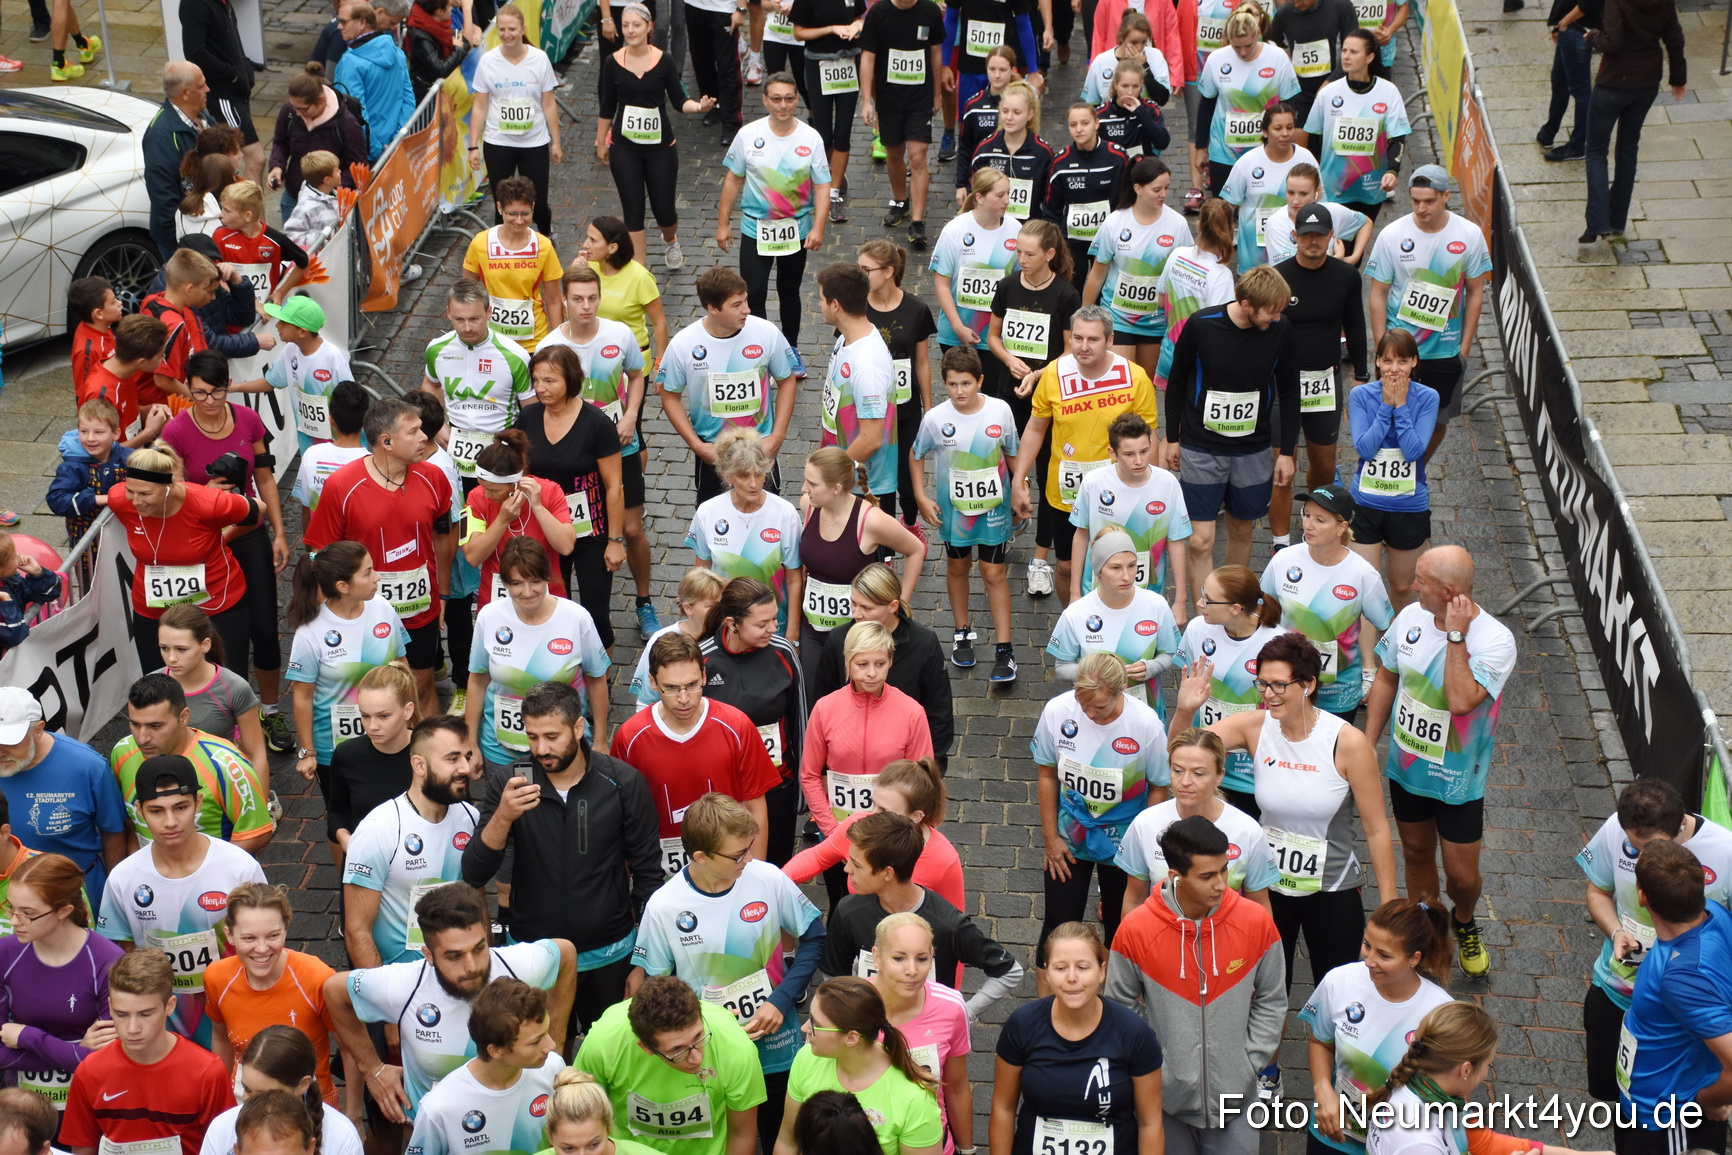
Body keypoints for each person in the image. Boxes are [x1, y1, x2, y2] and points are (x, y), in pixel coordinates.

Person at [1173, 632, 1397, 991]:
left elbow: (1376, 828)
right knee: (1267, 992)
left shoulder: (1346, 742)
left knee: (1335, 992)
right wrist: (1185, 710)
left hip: (1332, 889)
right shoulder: (1255, 726)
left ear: (1308, 684)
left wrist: (1389, 904)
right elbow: (1182, 753)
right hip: (1269, 885)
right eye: (1262, 684)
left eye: (1279, 685)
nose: (1268, 694)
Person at [632, 793, 826, 1152]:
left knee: (783, 1137)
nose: (748, 859)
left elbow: (814, 936)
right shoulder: (663, 906)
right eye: (738, 855)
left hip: (773, 1040)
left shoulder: (766, 878)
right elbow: (655, 985)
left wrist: (781, 1002)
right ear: (701, 857)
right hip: (706, 1051)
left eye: (748, 848)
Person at [461, 682, 661, 1027]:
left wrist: (643, 961)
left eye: (552, 736)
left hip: (610, 954)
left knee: (611, 1056)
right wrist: (503, 817)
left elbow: (648, 877)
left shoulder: (622, 782)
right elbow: (475, 872)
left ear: (579, 727)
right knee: (543, 1058)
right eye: (533, 737)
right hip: (535, 956)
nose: (541, 748)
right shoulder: (511, 783)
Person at [1364, 545, 1517, 980]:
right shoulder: (1410, 617)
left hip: (1457, 778)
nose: (1412, 586)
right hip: (1408, 766)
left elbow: (1462, 701)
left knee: (1461, 876)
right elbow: (1388, 674)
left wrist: (1455, 636)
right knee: (1414, 851)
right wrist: (1369, 742)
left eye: (1422, 582)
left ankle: (1464, 921)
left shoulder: (1494, 639)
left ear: (1449, 592)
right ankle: (1430, 936)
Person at [1107, 815, 1285, 1155]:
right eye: (1207, 876)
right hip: (1163, 1101)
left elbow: (1273, 997)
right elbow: (1120, 1008)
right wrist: (1153, 1065)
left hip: (1238, 1100)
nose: (1221, 884)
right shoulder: (1136, 930)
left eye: (1224, 870)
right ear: (1176, 876)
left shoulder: (1256, 922)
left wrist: (1251, 1061)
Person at [323, 884, 576, 1121]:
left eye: (479, 948)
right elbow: (334, 991)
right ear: (429, 955)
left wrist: (554, 1047)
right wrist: (372, 1070)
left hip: (515, 1125)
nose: (472, 967)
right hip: (435, 1133)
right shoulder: (404, 984)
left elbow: (565, 952)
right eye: (454, 956)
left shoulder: (519, 965)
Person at [1576, 779, 1732, 1107]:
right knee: (1615, 1099)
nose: (1643, 862)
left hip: (1684, 1017)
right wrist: (1616, 931)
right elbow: (1598, 891)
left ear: (1680, 827)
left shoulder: (1725, 851)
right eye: (1635, 849)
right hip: (1616, 993)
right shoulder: (1616, 828)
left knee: (1667, 1113)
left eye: (1651, 848)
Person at [96, 756, 269, 1046]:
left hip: (235, 1012)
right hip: (163, 1027)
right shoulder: (123, 878)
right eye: (156, 811)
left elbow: (267, 944)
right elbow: (118, 954)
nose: (170, 822)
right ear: (139, 811)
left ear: (198, 803)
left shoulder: (240, 868)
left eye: (181, 807)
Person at [305, 398, 455, 720]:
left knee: (421, 686)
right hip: (362, 613)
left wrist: (442, 591)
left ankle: (429, 761)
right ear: (386, 441)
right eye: (413, 432)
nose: (424, 438)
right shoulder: (341, 486)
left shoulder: (434, 478)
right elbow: (318, 553)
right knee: (371, 693)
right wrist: (326, 613)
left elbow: (444, 533)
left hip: (419, 608)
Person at [160, 352, 289, 728]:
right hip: (205, 540)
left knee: (265, 627)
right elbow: (176, 491)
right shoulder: (177, 432)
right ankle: (228, 714)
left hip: (248, 531)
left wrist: (279, 532)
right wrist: (206, 489)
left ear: (229, 385)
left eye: (218, 392)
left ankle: (270, 711)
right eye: (200, 394)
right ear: (189, 390)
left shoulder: (248, 420)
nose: (211, 402)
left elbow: (264, 480)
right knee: (221, 633)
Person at [1010, 306, 1160, 605]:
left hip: (1119, 491)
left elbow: (1149, 435)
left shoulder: (1135, 377)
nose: (1083, 347)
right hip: (1066, 492)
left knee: (1119, 565)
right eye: (1077, 338)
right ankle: (1076, 626)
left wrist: (1148, 486)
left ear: (1110, 340)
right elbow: (1036, 428)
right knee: (1066, 567)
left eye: (1093, 339)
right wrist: (1019, 479)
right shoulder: (1053, 374)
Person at [1032, 651, 1169, 966]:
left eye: (1101, 706)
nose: (1091, 713)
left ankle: (1112, 1008)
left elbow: (1160, 786)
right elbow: (1047, 774)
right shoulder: (1057, 710)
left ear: (1121, 692)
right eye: (1084, 705)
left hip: (1123, 844)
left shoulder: (1145, 723)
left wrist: (1141, 846)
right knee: (1057, 928)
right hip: (1070, 839)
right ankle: (1046, 1011)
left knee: (1121, 930)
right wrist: (1051, 839)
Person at [1161, 265, 1300, 573]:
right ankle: (1205, 615)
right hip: (1201, 446)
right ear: (1247, 304)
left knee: (1241, 529)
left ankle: (1231, 603)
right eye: (1271, 312)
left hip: (1252, 450)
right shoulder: (1201, 324)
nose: (1276, 318)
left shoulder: (1282, 329)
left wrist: (1287, 452)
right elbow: (1178, 382)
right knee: (1200, 540)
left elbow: (1290, 392)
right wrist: (1172, 437)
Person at [819, 812, 1023, 1016]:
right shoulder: (848, 911)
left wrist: (962, 1014)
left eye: (856, 864)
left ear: (887, 873)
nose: (846, 869)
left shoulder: (947, 923)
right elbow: (833, 977)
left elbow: (1010, 971)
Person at [538, 268, 654, 619]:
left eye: (592, 298)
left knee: (632, 528)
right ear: (564, 301)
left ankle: (644, 600)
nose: (586, 306)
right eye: (577, 299)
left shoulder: (620, 334)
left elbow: (636, 376)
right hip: (575, 455)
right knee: (573, 527)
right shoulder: (550, 346)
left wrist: (632, 414)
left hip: (621, 442)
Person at [611, 632, 783, 868]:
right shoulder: (630, 738)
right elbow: (623, 820)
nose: (684, 699)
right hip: (660, 874)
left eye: (691, 685)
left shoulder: (737, 726)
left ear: (704, 675)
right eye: (671, 688)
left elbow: (755, 808)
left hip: (728, 867)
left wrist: (755, 872)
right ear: (652, 682)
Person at [992, 923, 1164, 1155]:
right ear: (1047, 973)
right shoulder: (1022, 1025)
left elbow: (1150, 1123)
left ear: (1102, 971)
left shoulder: (1134, 1033)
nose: (1072, 978)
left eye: (1083, 967)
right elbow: (1003, 1108)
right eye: (1061, 968)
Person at [286, 543, 411, 862]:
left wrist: (413, 723)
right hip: (336, 749)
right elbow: (302, 696)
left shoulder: (382, 607)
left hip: (394, 739)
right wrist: (308, 751)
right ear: (343, 586)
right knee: (344, 817)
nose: (378, 577)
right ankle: (350, 879)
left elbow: (402, 665)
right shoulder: (310, 632)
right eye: (368, 573)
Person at [1300, 900, 1456, 1154]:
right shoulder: (1339, 981)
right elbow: (1320, 1042)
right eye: (1367, 945)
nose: (1369, 960)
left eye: (1384, 955)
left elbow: (1452, 1092)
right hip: (1333, 1133)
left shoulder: (1441, 1013)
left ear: (1414, 958)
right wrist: (1323, 1090)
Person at [1365, 166, 1492, 462]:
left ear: (1446, 197)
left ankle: (1417, 466)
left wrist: (1464, 347)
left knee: (1437, 421)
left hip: (1445, 352)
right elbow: (1378, 293)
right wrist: (1382, 345)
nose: (1421, 208)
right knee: (1390, 414)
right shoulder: (1392, 235)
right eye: (1415, 201)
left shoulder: (1469, 235)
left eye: (1429, 201)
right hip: (1401, 353)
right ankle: (1387, 469)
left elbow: (1475, 291)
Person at [1614, 838, 1732, 1155]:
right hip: (1640, 1104)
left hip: (1666, 1121)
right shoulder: (1715, 914)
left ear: (1642, 896)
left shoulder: (1683, 979)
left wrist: (1711, 1100)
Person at [911, 347, 1020, 680]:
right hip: (954, 512)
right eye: (953, 384)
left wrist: (1021, 487)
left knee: (993, 573)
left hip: (994, 511)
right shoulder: (935, 418)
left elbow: (1013, 453)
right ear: (944, 382)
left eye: (966, 384)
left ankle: (1005, 649)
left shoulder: (1000, 411)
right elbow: (916, 454)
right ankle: (961, 632)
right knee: (958, 566)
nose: (959, 391)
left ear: (980, 381)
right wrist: (920, 496)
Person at [106, 443, 259, 678]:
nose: (136, 501)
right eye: (131, 491)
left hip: (216, 604)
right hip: (154, 608)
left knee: (226, 683)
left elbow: (259, 510)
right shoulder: (120, 500)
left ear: (168, 487)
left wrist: (220, 540)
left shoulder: (207, 503)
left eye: (145, 493)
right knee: (160, 684)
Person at [59, 949, 233, 1155]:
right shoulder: (90, 1071)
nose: (132, 1028)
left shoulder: (207, 1072)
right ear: (110, 1006)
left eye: (145, 1014)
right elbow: (83, 1147)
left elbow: (225, 1147)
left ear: (169, 1006)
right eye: (121, 1014)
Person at [340, 715, 479, 968]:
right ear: (419, 765)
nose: (465, 768)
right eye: (452, 758)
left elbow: (476, 900)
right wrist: (382, 997)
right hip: (401, 981)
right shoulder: (378, 830)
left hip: (459, 973)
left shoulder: (471, 817)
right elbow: (357, 932)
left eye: (467, 757)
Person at [982, 222, 1075, 598]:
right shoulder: (1007, 286)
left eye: (1029, 254)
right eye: (1018, 252)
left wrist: (1038, 374)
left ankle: (1040, 558)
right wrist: (1009, 361)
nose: (1021, 259)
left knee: (1044, 474)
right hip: (1009, 392)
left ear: (1050, 255)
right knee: (1005, 467)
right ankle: (1002, 530)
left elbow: (1070, 351)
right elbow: (993, 336)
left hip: (1047, 395)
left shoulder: (1066, 295)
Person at [514, 346, 628, 652]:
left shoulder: (597, 424)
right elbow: (522, 474)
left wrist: (615, 540)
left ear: (571, 380)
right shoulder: (527, 417)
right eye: (536, 380)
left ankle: (600, 678)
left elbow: (614, 485)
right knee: (550, 605)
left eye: (550, 381)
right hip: (546, 530)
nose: (540, 388)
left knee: (596, 613)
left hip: (590, 531)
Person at [1268, 204, 1369, 546]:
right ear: (1294, 236)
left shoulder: (1346, 277)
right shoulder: (1279, 276)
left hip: (1325, 382)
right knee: (1282, 469)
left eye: (1320, 235)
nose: (1313, 242)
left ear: (1331, 237)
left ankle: (1318, 526)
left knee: (1324, 465)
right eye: (1306, 235)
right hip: (1283, 384)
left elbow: (1355, 322)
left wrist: (1362, 372)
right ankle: (1281, 542)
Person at [203, 883, 350, 1112]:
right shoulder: (217, 977)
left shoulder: (316, 977)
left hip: (310, 1107)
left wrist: (354, 1115)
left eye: (273, 936)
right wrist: (222, 1107)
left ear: (286, 928)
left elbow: (349, 1048)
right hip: (246, 1105)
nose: (262, 949)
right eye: (249, 938)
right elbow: (221, 1040)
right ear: (229, 935)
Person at [466, 539, 610, 771]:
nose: (527, 592)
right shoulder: (489, 617)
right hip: (501, 751)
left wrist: (601, 741)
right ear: (504, 583)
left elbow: (596, 679)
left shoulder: (576, 618)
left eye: (535, 581)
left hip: (563, 751)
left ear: (547, 578)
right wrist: (471, 741)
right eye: (517, 583)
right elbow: (478, 680)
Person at [658, 268, 799, 505]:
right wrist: (696, 445)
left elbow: (787, 381)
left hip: (759, 449)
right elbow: (670, 395)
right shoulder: (684, 344)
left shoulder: (766, 333)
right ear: (713, 308)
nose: (747, 309)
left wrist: (776, 438)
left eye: (745, 300)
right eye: (736, 305)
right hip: (714, 455)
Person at [716, 76, 832, 352]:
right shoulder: (748, 135)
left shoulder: (810, 137)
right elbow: (733, 180)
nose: (783, 105)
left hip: (796, 230)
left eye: (789, 98)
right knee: (753, 293)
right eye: (777, 99)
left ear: (796, 100)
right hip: (755, 229)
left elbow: (822, 185)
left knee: (789, 293)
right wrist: (723, 224)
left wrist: (818, 228)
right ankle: (762, 349)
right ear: (765, 100)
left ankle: (790, 349)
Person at [1260, 484, 1393, 721]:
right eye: (1307, 515)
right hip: (1284, 685)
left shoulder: (1362, 574)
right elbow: (1263, 610)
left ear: (1342, 527)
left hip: (1337, 692)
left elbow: (1388, 628)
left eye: (1320, 520)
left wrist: (1380, 677)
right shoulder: (1284, 560)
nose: (1309, 525)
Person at [697, 579, 807, 865]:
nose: (773, 629)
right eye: (762, 624)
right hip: (724, 792)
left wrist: (800, 792)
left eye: (774, 619)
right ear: (733, 624)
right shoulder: (703, 659)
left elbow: (800, 724)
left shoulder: (783, 652)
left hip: (777, 786)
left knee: (775, 867)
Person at [0, 854, 122, 1109]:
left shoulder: (107, 961)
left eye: (28, 913)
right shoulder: (5, 953)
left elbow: (106, 1059)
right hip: (23, 1107)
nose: (13, 921)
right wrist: (76, 1052)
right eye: (11, 907)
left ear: (64, 911)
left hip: (89, 1103)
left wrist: (28, 1037)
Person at [804, 624, 935, 862]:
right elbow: (810, 775)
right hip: (837, 828)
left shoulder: (912, 712)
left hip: (890, 836)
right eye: (862, 664)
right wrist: (833, 832)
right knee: (839, 899)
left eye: (880, 664)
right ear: (848, 661)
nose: (872, 673)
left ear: (890, 661)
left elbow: (920, 782)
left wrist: (899, 834)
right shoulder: (825, 708)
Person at [771, 978, 943, 1155]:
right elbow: (788, 1142)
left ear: (851, 1038)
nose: (805, 1028)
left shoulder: (915, 1101)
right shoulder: (806, 1059)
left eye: (816, 1024)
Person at [597, 3, 711, 270]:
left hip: (660, 149)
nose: (630, 30)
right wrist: (602, 141)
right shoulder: (612, 62)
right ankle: (639, 271)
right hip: (624, 148)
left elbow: (679, 100)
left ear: (650, 27)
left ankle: (670, 239)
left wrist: (699, 107)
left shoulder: (664, 61)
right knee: (633, 212)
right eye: (625, 25)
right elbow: (607, 106)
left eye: (636, 25)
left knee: (665, 212)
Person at [110, 675, 274, 855]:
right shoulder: (122, 752)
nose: (142, 738)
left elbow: (256, 833)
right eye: (135, 724)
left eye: (155, 726)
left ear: (184, 717)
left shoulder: (225, 764)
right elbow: (129, 822)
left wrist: (200, 874)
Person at [1115, 729, 1276, 912]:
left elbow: (1259, 907)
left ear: (1219, 776)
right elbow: (1134, 899)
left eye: (1198, 773)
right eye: (1177, 770)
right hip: (1162, 936)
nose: (1185, 781)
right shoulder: (1145, 823)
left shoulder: (1248, 831)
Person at [784, 760, 964, 923]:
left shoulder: (944, 860)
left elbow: (955, 928)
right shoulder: (858, 826)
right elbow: (816, 857)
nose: (872, 815)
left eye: (884, 810)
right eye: (873, 804)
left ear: (916, 816)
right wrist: (776, 880)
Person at [798, 450, 924, 677]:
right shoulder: (809, 506)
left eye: (812, 483)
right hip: (812, 629)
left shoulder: (870, 520)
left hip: (859, 633)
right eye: (805, 480)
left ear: (836, 488)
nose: (804, 488)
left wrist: (900, 605)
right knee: (815, 702)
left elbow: (915, 549)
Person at [814, 564, 954, 765]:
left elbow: (939, 713)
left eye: (866, 608)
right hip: (848, 762)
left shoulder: (924, 643)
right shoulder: (838, 639)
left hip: (903, 765)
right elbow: (821, 702)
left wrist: (929, 770)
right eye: (853, 604)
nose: (856, 613)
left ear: (892, 606)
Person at [406, 978, 564, 1155]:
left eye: (546, 1032)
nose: (551, 1046)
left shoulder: (553, 1069)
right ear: (495, 1050)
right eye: (536, 1042)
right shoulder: (438, 1109)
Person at [1168, 566, 1281, 810]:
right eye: (1201, 594)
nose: (1199, 603)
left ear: (1235, 608)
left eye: (1208, 600)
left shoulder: (1276, 643)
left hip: (1249, 774)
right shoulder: (1197, 630)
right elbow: (1189, 689)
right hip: (1202, 766)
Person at [0, 691, 127, 906]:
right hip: (7, 897)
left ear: (38, 731)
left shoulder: (87, 766)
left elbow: (114, 832)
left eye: (10, 742)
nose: (0, 751)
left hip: (74, 895)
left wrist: (115, 897)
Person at [1580, 0, 1686, 245]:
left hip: (1614, 83)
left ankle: (1598, 222)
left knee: (1596, 151)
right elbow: (1674, 38)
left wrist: (1592, 35)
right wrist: (1678, 78)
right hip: (1646, 83)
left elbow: (1612, 44)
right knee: (1628, 149)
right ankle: (1616, 220)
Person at [1346, 331, 1439, 608]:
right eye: (1387, 361)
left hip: (1408, 506)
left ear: (1414, 362)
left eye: (1402, 361)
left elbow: (1413, 451)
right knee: (1366, 587)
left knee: (1401, 586)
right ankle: (1367, 651)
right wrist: (1386, 406)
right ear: (1377, 362)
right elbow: (1365, 448)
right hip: (1365, 503)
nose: (1394, 369)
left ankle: (1399, 647)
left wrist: (1400, 407)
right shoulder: (1361, 395)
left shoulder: (1427, 398)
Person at [865, 915, 972, 1151]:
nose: (912, 970)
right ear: (876, 957)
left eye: (922, 959)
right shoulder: (846, 1006)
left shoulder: (952, 1007)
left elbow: (956, 1087)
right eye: (898, 958)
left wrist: (966, 1149)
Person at [1047, 530, 1180, 715]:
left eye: (1132, 565)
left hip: (1144, 711)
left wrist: (1151, 667)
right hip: (1093, 713)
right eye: (1116, 568)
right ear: (1098, 571)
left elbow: (1169, 654)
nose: (1126, 576)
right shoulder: (1076, 613)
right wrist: (1098, 676)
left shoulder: (1156, 605)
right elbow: (1062, 667)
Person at [685, 430, 803, 636]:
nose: (753, 483)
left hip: (773, 627)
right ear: (727, 475)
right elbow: (702, 576)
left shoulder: (785, 514)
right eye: (744, 475)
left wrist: (793, 634)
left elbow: (794, 579)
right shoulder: (708, 513)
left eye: (758, 474)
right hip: (726, 626)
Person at [859, 241, 940, 537]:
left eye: (866, 269)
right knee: (881, 481)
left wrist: (928, 408)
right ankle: (887, 538)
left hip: (906, 409)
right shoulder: (858, 306)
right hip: (871, 409)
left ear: (888, 271)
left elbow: (921, 361)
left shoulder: (916, 309)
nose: (860, 274)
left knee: (908, 483)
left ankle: (908, 522)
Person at [1067, 412, 1190, 606]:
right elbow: (1081, 535)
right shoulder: (1094, 482)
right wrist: (1074, 593)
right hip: (1096, 593)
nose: (1139, 461)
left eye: (1144, 451)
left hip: (1149, 594)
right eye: (1129, 454)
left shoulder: (1168, 484)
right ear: (1112, 453)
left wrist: (1180, 601)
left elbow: (1175, 542)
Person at [423, 280, 535, 483]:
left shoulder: (515, 355)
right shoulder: (436, 349)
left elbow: (532, 410)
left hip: (502, 444)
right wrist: (438, 425)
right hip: (456, 443)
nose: (467, 327)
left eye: (474, 319)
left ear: (489, 312)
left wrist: (522, 455)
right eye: (459, 319)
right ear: (448, 313)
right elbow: (431, 384)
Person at [466, 6, 562, 239]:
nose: (507, 34)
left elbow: (549, 103)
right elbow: (479, 106)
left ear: (523, 29)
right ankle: (505, 247)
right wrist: (473, 146)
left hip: (534, 142)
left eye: (512, 29)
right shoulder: (488, 61)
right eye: (502, 29)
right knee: (502, 204)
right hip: (498, 142)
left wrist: (556, 142)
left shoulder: (539, 59)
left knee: (537, 204)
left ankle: (547, 234)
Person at [199, 1026, 365, 1155]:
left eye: (267, 1094)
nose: (252, 1102)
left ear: (303, 1084)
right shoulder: (222, 1127)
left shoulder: (341, 1134)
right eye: (247, 1089)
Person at [859, 0, 944, 247]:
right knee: (894, 154)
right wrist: (866, 101)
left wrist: (937, 93)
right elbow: (867, 58)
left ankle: (917, 221)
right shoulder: (878, 13)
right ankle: (900, 201)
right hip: (889, 99)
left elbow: (936, 52)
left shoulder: (929, 11)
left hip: (920, 99)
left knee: (917, 156)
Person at [460, 433, 579, 611]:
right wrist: (502, 519)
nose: (485, 494)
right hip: (496, 602)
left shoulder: (551, 490)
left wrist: (538, 507)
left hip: (548, 597)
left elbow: (566, 546)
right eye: (482, 486)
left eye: (493, 489)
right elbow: (473, 556)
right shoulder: (475, 497)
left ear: (514, 484)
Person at [1303, 30, 1410, 221]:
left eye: (1353, 52)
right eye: (1344, 51)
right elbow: (1313, 138)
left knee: (1357, 246)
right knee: (1337, 245)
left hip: (1370, 187)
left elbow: (1398, 137)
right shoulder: (1328, 94)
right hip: (1333, 187)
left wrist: (1393, 170)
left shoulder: (1388, 92)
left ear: (1369, 57)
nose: (1346, 56)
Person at [155, 605, 270, 784]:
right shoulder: (151, 686)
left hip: (221, 788)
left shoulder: (234, 688)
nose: (171, 658)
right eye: (164, 648)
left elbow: (256, 756)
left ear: (205, 645)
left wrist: (261, 808)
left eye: (181, 649)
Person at [1194, 4, 1298, 194]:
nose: (1242, 52)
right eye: (1236, 47)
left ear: (1258, 33)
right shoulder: (1216, 59)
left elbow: (1289, 105)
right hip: (1224, 152)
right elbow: (1206, 105)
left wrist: (1287, 143)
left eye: (1248, 46)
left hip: (1266, 150)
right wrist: (1201, 147)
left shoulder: (1277, 58)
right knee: (1223, 211)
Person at [325, 663, 419, 856]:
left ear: (407, 711)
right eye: (365, 716)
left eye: (383, 716)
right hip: (366, 862)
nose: (372, 726)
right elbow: (337, 813)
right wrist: (346, 839)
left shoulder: (430, 753)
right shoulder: (346, 755)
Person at [462, 178, 564, 354]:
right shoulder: (480, 243)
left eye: (525, 214)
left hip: (533, 342)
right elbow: (467, 293)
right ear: (500, 208)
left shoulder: (543, 246)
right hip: (491, 341)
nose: (519, 221)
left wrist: (558, 343)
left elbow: (554, 300)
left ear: (533, 207)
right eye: (512, 214)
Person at [931, 169, 1020, 369]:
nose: (1007, 200)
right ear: (979, 197)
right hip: (957, 334)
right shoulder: (954, 230)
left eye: (1008, 193)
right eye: (1000, 195)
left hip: (997, 336)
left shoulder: (1015, 229)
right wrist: (957, 326)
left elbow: (1019, 280)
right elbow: (942, 283)